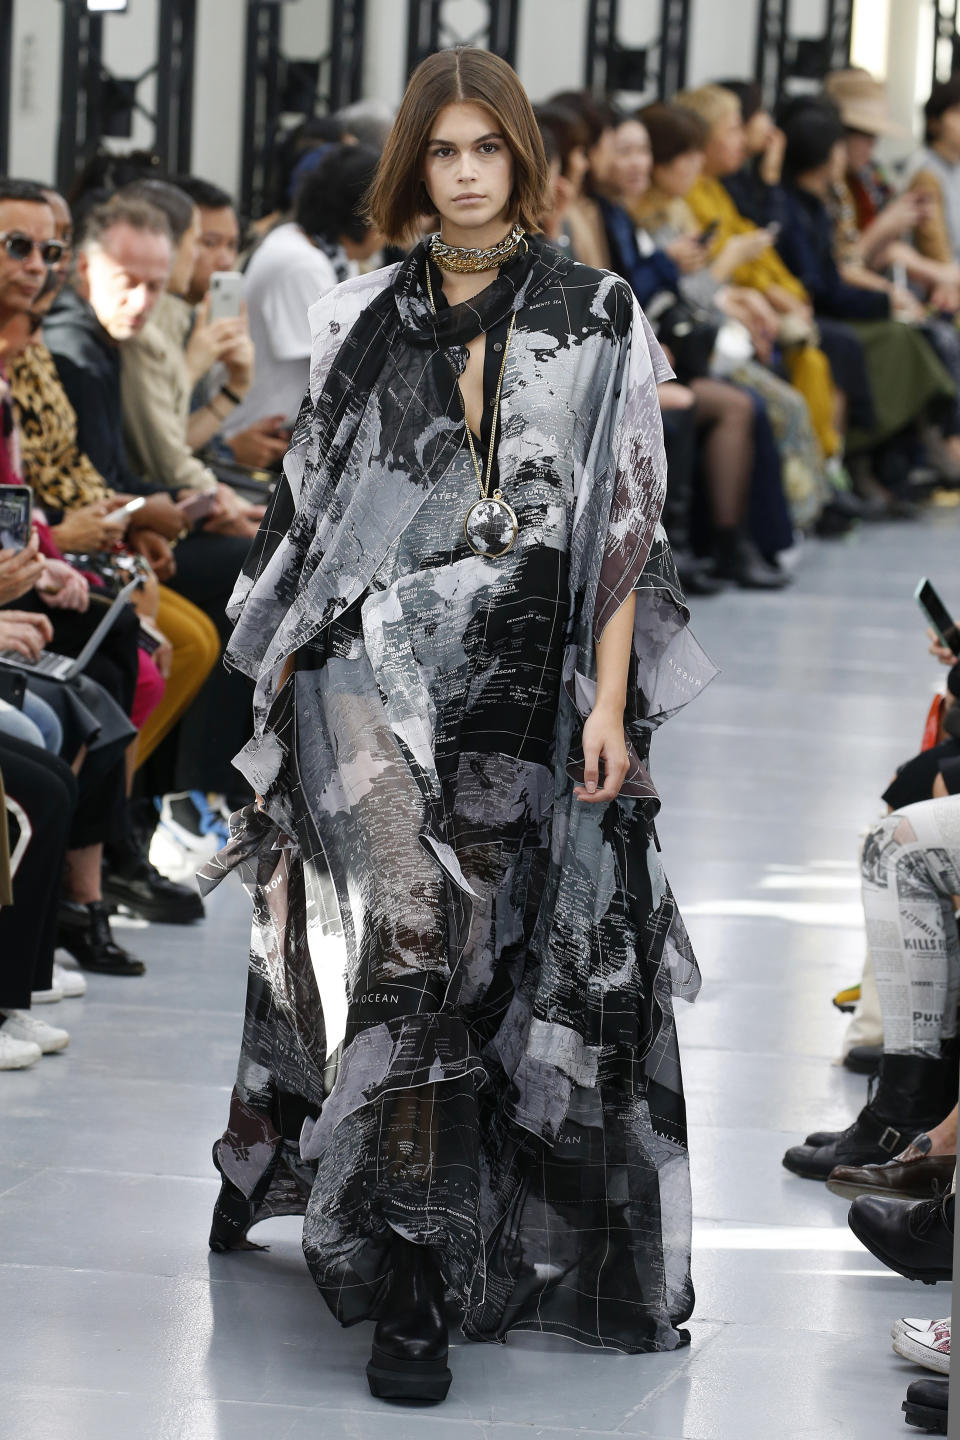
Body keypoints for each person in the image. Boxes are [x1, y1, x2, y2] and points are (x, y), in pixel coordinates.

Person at [200, 45, 714, 1405]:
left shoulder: (599, 311)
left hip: (527, 675)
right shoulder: (366, 309)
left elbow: (622, 522)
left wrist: (610, 700)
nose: (469, 172)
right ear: (415, 165)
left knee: (508, 946)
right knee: (412, 933)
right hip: (367, 664)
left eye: (490, 148)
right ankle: (410, 1276)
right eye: (445, 150)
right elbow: (310, 512)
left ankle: (334, 1165)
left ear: (522, 162)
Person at [43, 196, 256, 822]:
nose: (139, 300)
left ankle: (146, 810)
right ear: (84, 272)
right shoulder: (76, 347)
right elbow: (137, 467)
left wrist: (157, 509)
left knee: (233, 594)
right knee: (221, 605)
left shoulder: (102, 338)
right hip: (84, 541)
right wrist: (155, 510)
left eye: (153, 286)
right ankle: (154, 810)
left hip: (110, 532)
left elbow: (108, 473)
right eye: (126, 283)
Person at [222, 144, 382, 443]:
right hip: (258, 440)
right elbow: (346, 370)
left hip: (289, 435)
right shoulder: (300, 263)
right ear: (362, 212)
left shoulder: (323, 251)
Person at [175, 175, 290, 472]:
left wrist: (235, 389)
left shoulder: (192, 317)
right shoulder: (140, 323)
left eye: (232, 245)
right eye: (209, 243)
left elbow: (179, 442)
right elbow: (152, 453)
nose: (225, 260)